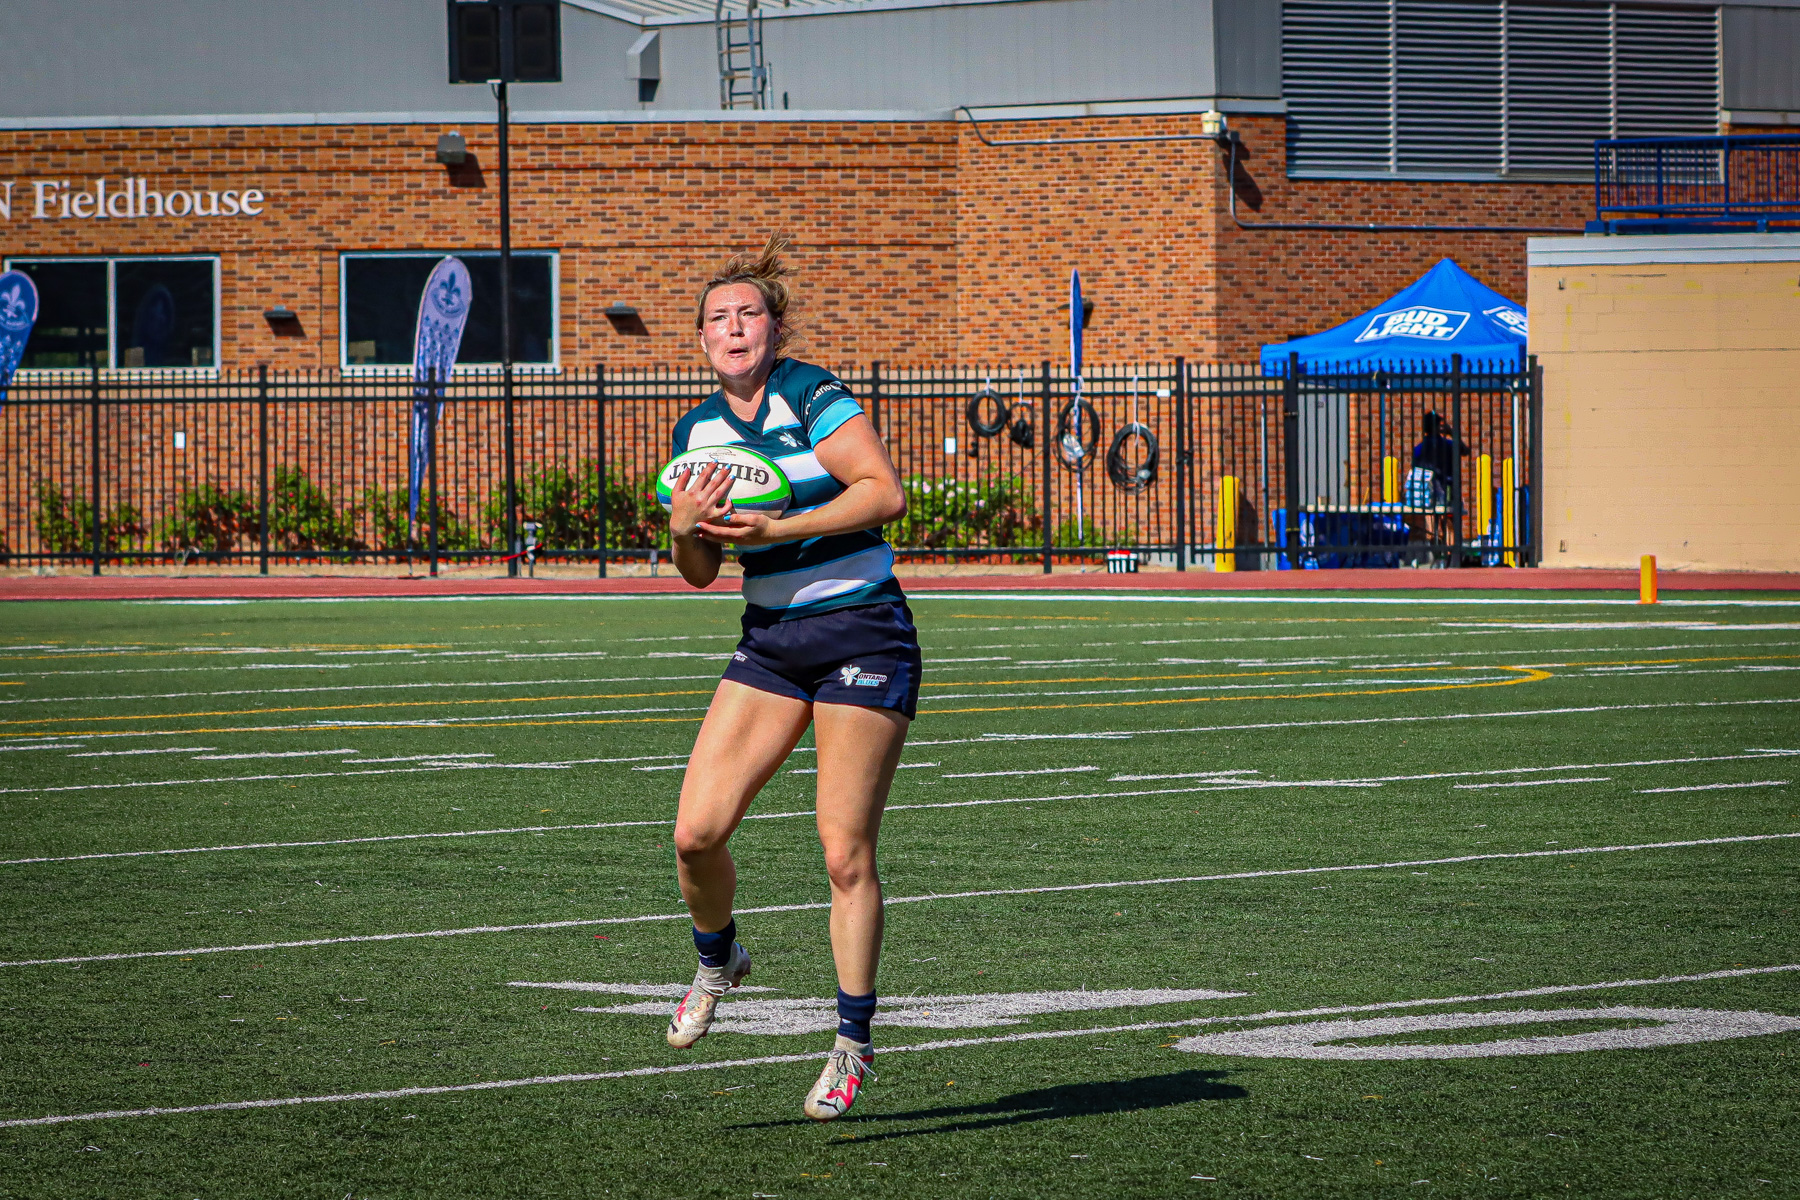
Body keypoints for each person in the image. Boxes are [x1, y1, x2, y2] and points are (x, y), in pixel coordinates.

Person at [661, 235, 916, 1122]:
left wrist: (776, 530)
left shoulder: (813, 393)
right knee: (695, 835)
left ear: (775, 329)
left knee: (844, 852)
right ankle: (716, 960)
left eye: (749, 314)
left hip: (861, 629)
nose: (734, 328)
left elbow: (882, 492)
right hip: (770, 640)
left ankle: (852, 1043)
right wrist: (685, 530)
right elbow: (700, 572)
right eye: (718, 318)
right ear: (702, 339)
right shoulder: (696, 433)